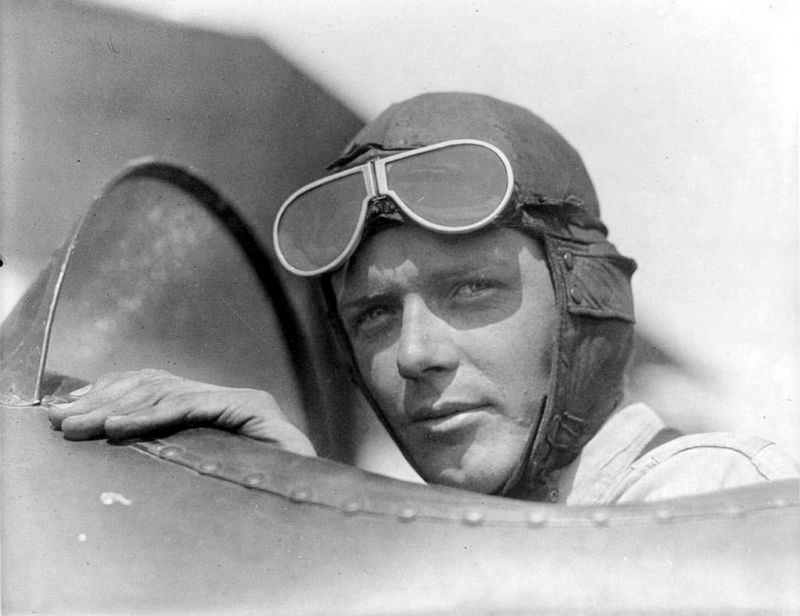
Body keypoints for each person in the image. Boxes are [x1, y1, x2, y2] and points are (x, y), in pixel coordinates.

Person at [47, 92, 799, 504]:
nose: (414, 354)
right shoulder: (471, 530)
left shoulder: (707, 496)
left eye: (472, 290)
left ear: (583, 303)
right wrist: (307, 501)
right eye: (373, 315)